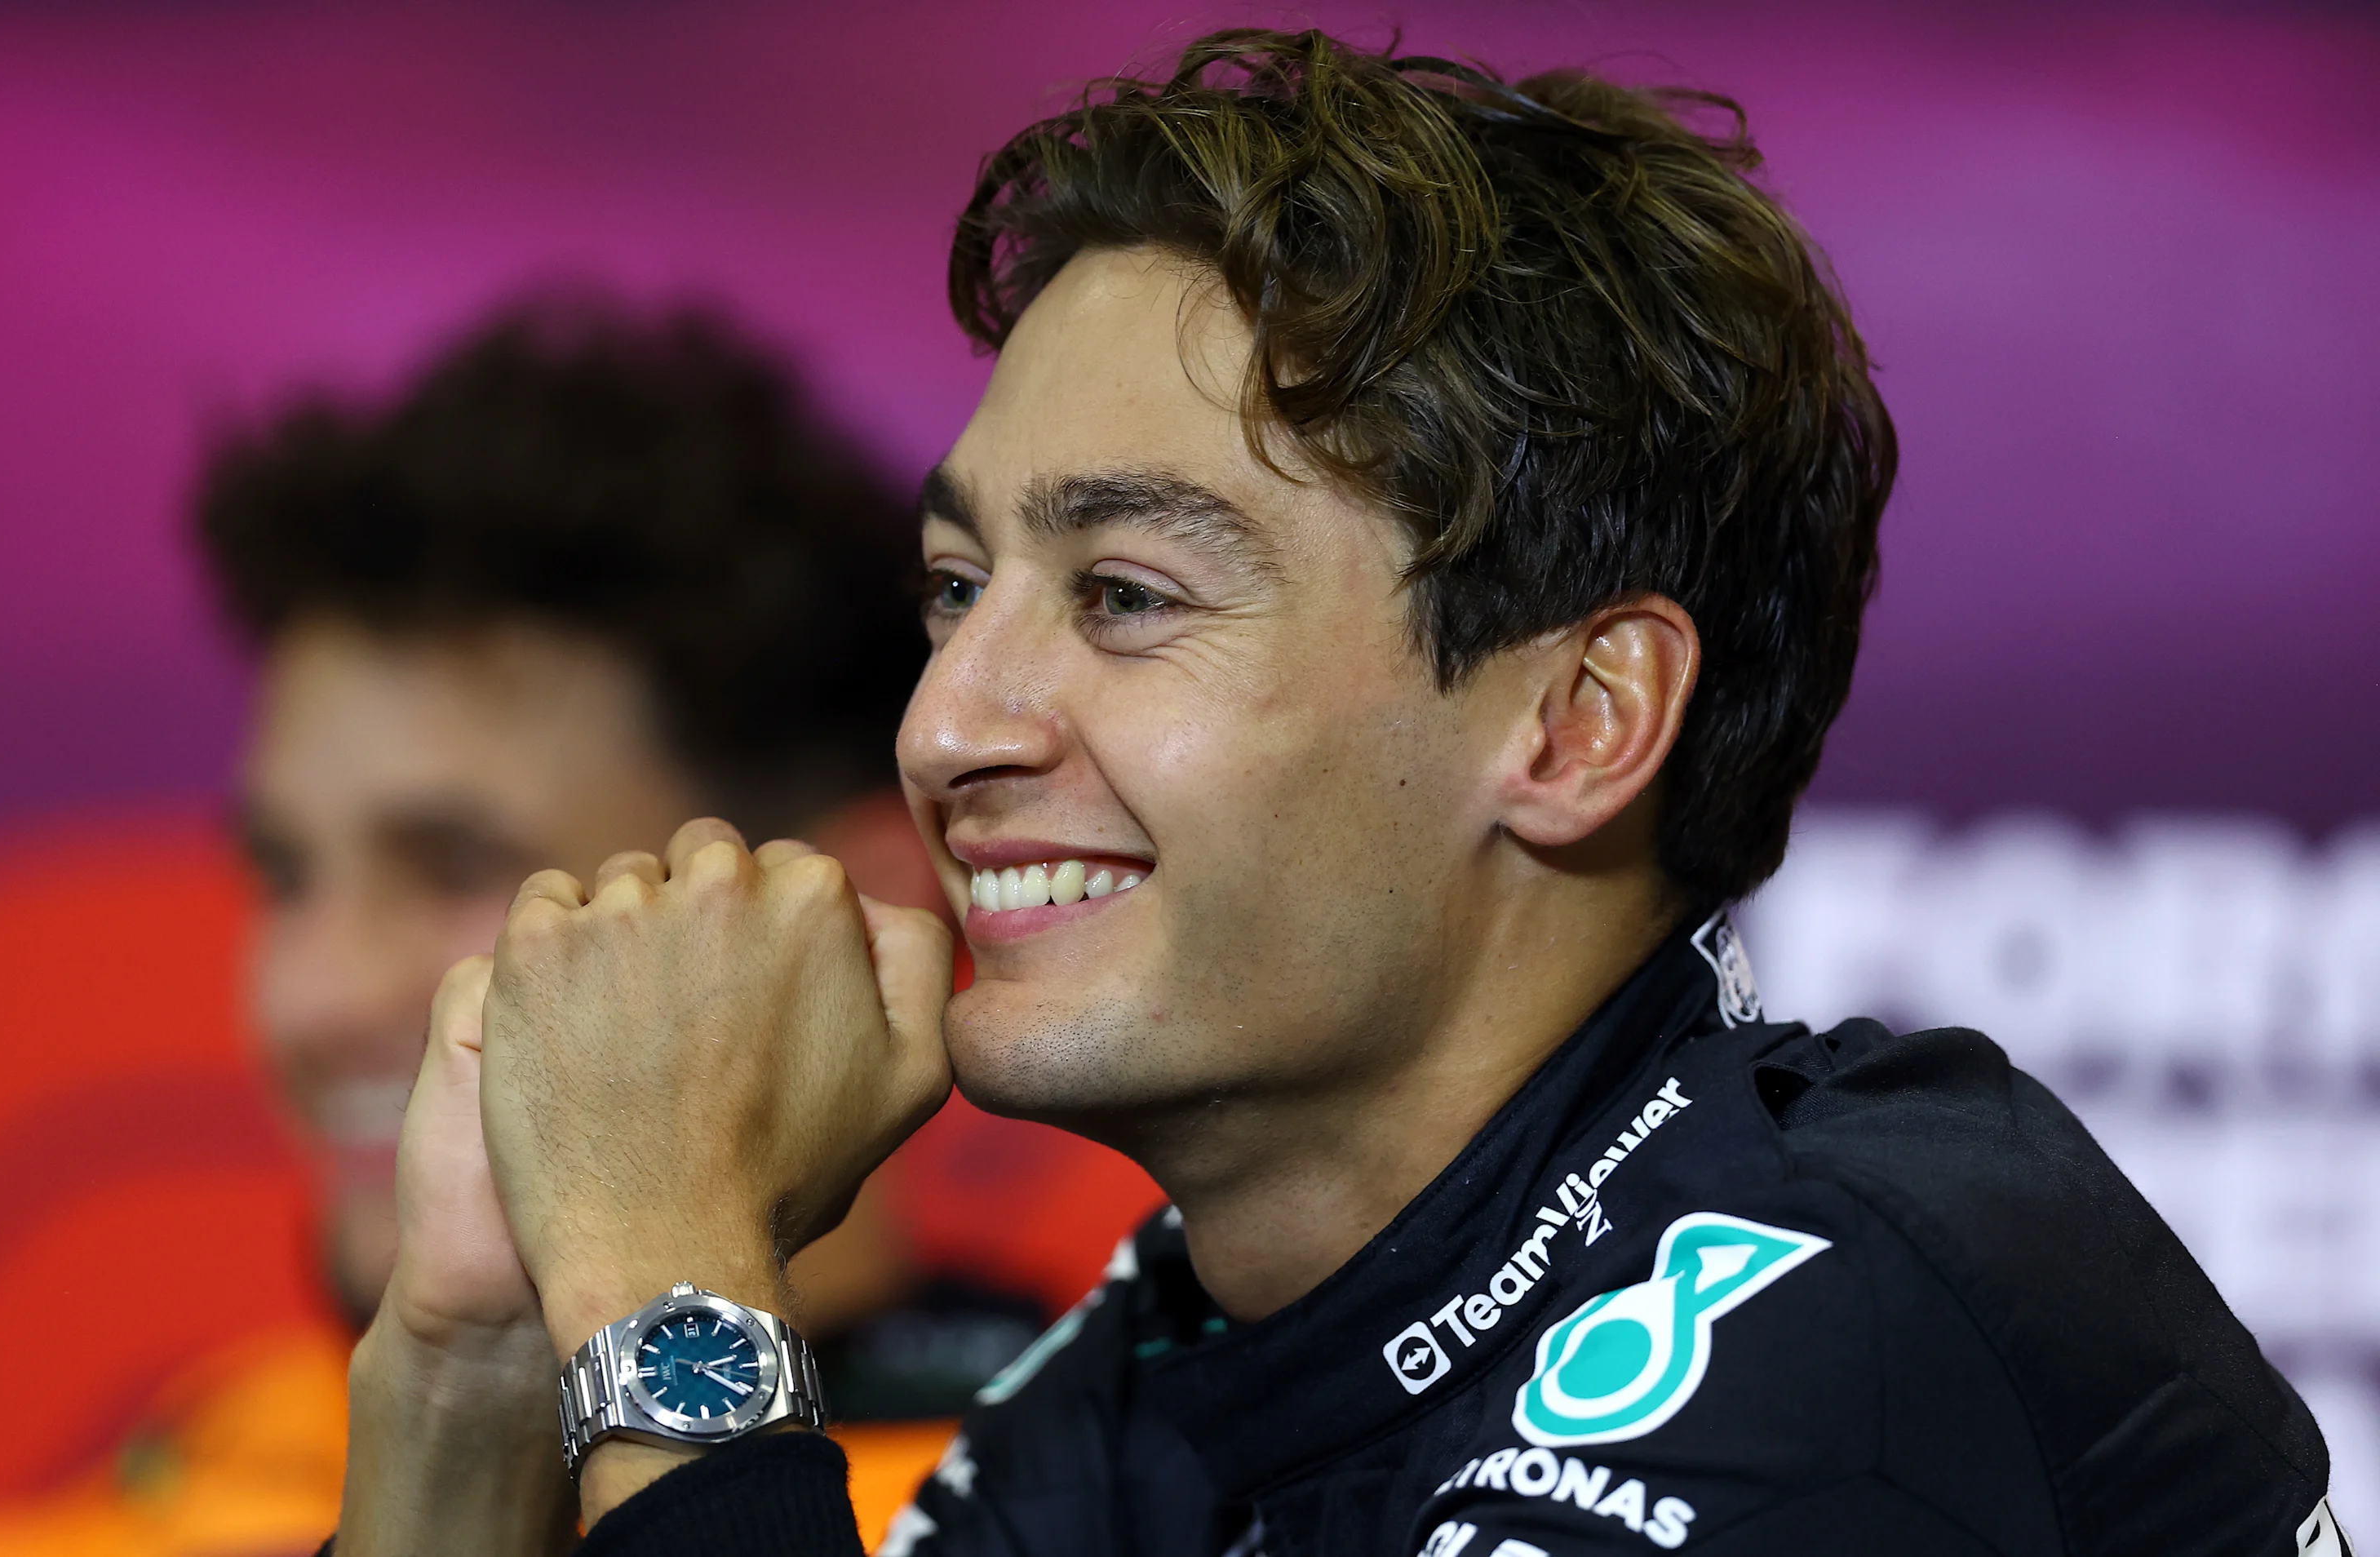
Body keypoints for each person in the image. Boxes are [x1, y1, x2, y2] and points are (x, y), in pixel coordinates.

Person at [335, 30, 2346, 1557]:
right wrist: (479, 1351)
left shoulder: (1852, 1294)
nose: (948, 725)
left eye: (1123, 598)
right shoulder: (1173, 1363)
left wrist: (671, 1287)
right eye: (956, 592)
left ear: (1572, 725)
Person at [197, 299, 1158, 1444]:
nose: (313, 1001)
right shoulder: (207, 1457)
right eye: (287, 875)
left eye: (458, 867)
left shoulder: (1103, 1486)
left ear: (853, 914)